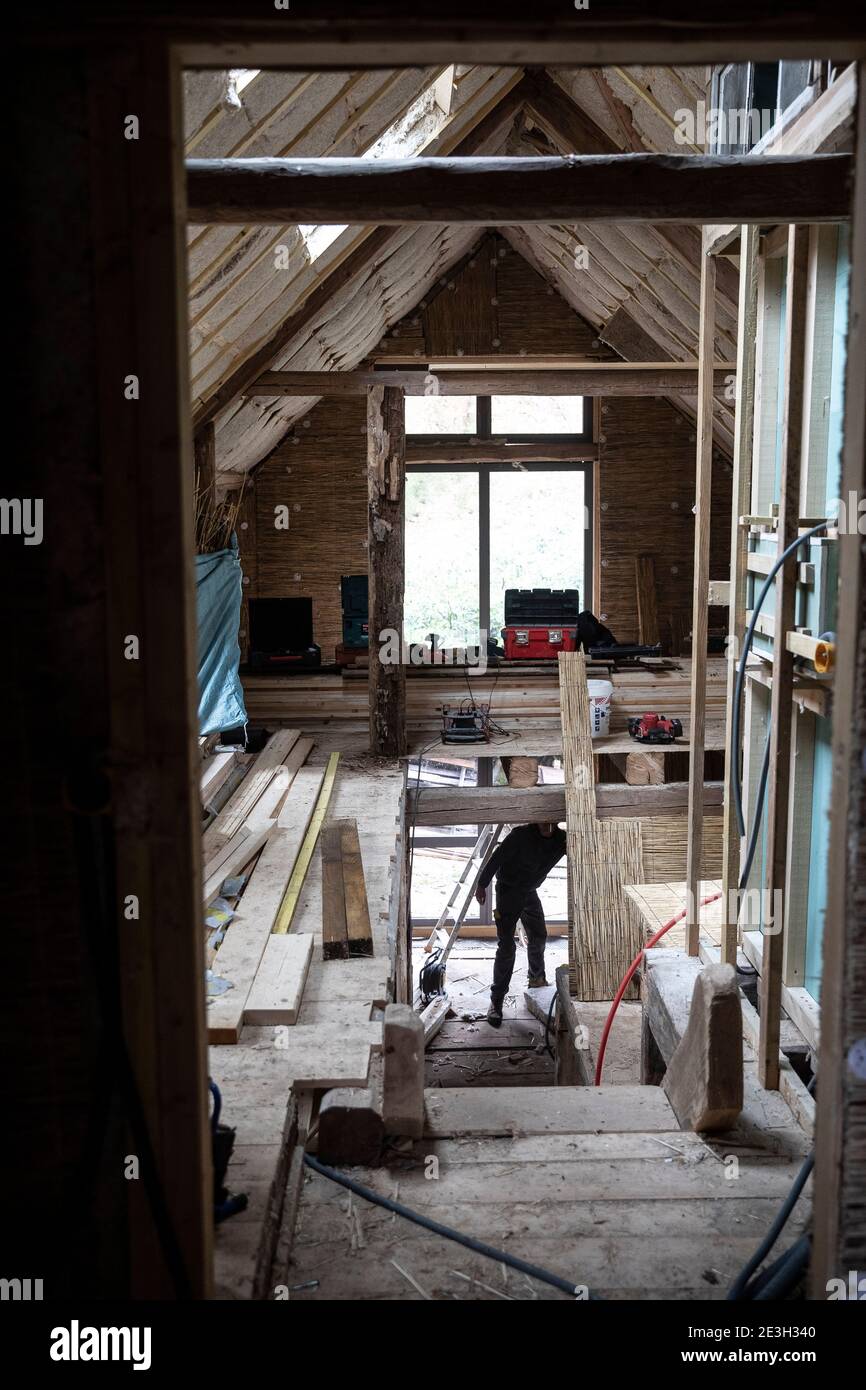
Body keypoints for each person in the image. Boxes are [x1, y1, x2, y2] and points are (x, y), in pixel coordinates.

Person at [475, 822, 567, 1028]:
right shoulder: (520, 835)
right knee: (506, 946)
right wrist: (482, 884)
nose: (545, 825)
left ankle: (536, 979)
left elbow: (581, 852)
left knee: (539, 936)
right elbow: (496, 858)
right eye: (541, 820)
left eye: (549, 820)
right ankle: (496, 1001)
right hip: (508, 890)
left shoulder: (561, 840)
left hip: (529, 890)